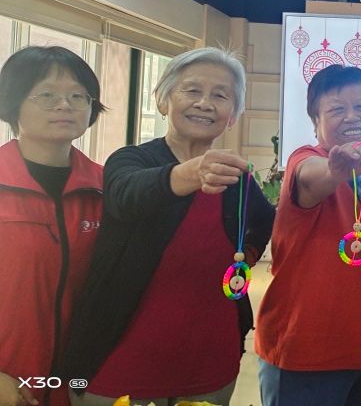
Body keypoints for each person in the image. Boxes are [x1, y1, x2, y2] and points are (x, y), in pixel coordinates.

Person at [61, 47, 275, 406]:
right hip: (120, 358)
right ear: (163, 101)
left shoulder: (234, 178)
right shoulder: (131, 160)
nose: (205, 103)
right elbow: (126, 195)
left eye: (220, 95)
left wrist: (245, 258)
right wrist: (189, 173)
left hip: (210, 357)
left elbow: (264, 219)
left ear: (232, 117)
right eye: (192, 90)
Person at [255, 65, 361, 405]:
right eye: (337, 109)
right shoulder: (307, 159)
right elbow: (312, 179)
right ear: (315, 122)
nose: (352, 116)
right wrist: (335, 170)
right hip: (307, 354)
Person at [0, 46, 105, 406]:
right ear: (13, 103)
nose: (64, 105)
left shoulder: (105, 189)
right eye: (47, 95)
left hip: (77, 384)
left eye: (78, 96)